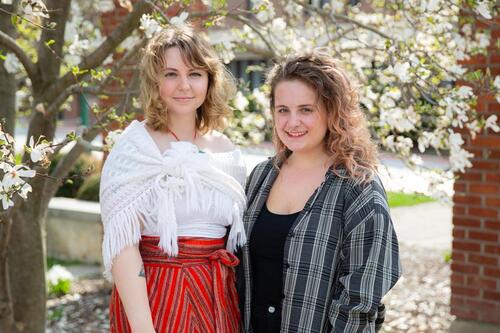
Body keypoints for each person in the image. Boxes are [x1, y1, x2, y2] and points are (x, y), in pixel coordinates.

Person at [237, 50, 402, 332]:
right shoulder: (261, 177)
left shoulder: (359, 190)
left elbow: (359, 306)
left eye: (306, 109)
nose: (292, 122)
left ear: (332, 111)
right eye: (283, 110)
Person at [99, 25, 246, 333]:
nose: (184, 85)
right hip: (156, 296)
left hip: (218, 297)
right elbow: (123, 246)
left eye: (194, 74)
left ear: (209, 79)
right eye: (171, 74)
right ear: (155, 81)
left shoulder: (226, 149)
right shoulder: (136, 146)